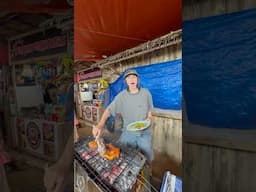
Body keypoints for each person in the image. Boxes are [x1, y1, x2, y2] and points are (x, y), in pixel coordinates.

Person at [93, 69, 154, 163]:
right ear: (126, 81)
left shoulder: (146, 93)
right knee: (124, 157)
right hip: (128, 132)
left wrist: (149, 117)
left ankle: (148, 172)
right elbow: (108, 110)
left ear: (137, 79)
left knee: (147, 157)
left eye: (134, 77)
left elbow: (149, 110)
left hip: (144, 133)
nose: (132, 79)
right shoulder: (121, 96)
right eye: (129, 77)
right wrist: (100, 125)